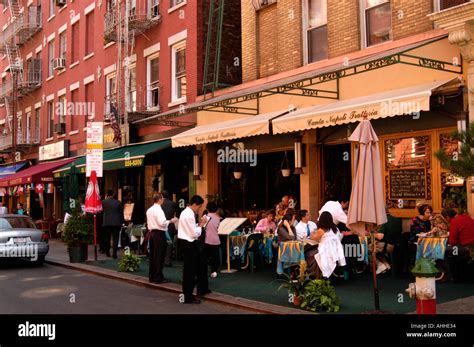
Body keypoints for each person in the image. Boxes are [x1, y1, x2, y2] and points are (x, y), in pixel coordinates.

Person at [178, 195, 209, 304]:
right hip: (189, 244)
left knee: (188, 271)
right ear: (195, 204)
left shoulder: (185, 213)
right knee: (190, 272)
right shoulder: (189, 215)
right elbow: (193, 234)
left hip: (185, 243)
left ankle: (187, 294)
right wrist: (201, 224)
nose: (199, 209)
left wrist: (198, 225)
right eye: (199, 207)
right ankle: (188, 296)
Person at [146, 193, 178, 284]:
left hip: (152, 233)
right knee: (159, 256)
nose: (163, 200)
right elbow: (162, 223)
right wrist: (171, 221)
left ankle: (152, 276)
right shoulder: (158, 210)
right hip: (159, 234)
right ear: (159, 199)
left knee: (153, 256)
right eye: (162, 199)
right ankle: (158, 277)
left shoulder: (149, 209)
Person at [441, 208, 474, 281]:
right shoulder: (466, 217)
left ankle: (450, 276)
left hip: (466, 248)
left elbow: (452, 242)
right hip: (472, 247)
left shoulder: (454, 221)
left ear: (447, 217)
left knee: (443, 251)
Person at [313, 211, 346, 278]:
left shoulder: (321, 230)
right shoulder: (336, 229)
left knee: (309, 254)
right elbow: (339, 238)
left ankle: (315, 274)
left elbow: (314, 238)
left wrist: (312, 233)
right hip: (335, 253)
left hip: (325, 252)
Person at [102, 190, 123, 259]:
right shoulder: (118, 203)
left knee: (107, 238)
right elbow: (121, 214)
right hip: (116, 223)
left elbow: (101, 211)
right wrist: (121, 222)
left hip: (107, 222)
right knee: (115, 238)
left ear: (107, 194)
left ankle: (107, 252)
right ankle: (114, 253)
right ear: (113, 194)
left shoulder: (104, 202)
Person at [204, 201, 221, 279]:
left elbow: (202, 228)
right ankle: (213, 271)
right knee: (215, 257)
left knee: (205, 256)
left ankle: (204, 271)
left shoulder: (205, 217)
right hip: (216, 239)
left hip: (207, 239)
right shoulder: (219, 218)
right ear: (216, 209)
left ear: (207, 208)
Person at [161, 191, 177, 267]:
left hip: (161, 225)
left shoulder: (160, 203)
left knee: (161, 243)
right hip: (170, 224)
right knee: (169, 243)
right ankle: (167, 261)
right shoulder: (172, 203)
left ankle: (161, 260)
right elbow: (175, 213)